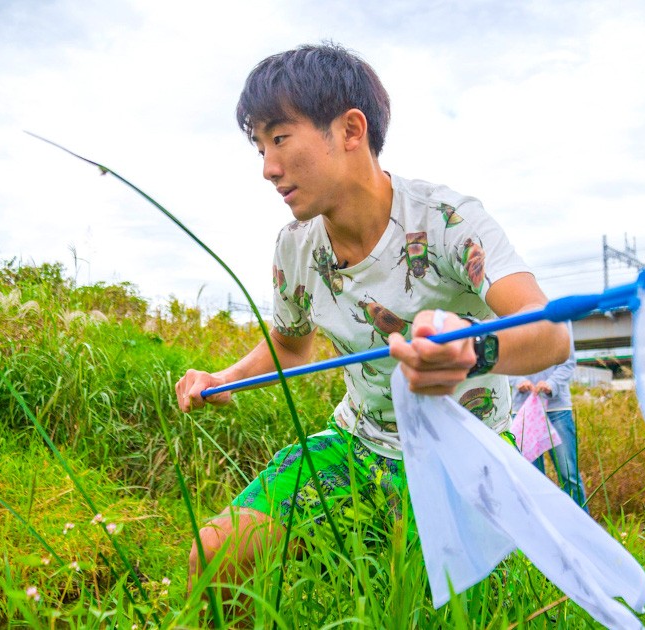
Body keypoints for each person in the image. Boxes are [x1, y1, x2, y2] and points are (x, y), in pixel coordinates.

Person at [174, 42, 571, 607]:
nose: (267, 168)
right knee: (215, 557)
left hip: (469, 455)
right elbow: (290, 347)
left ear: (351, 130)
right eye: (260, 146)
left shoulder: (448, 222)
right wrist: (223, 375)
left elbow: (550, 334)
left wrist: (473, 350)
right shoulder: (295, 247)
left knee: (458, 611)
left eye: (280, 138)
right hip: (359, 444)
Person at [508, 333, 588, 508]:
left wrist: (551, 384)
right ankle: (541, 531)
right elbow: (504, 361)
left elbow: (568, 361)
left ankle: (581, 528)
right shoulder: (509, 316)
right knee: (531, 478)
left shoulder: (557, 312)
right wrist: (519, 381)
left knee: (569, 475)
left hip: (556, 409)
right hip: (524, 410)